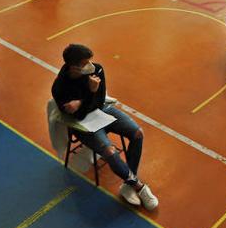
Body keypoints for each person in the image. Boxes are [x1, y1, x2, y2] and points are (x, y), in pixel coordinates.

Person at [52, 44, 159, 209]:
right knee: (110, 152)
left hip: (102, 110)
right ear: (73, 67)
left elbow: (100, 100)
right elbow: (78, 116)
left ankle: (127, 184)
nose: (91, 65)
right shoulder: (60, 87)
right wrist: (89, 93)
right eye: (85, 63)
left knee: (137, 133)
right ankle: (139, 187)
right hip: (83, 124)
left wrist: (82, 101)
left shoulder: (97, 70)